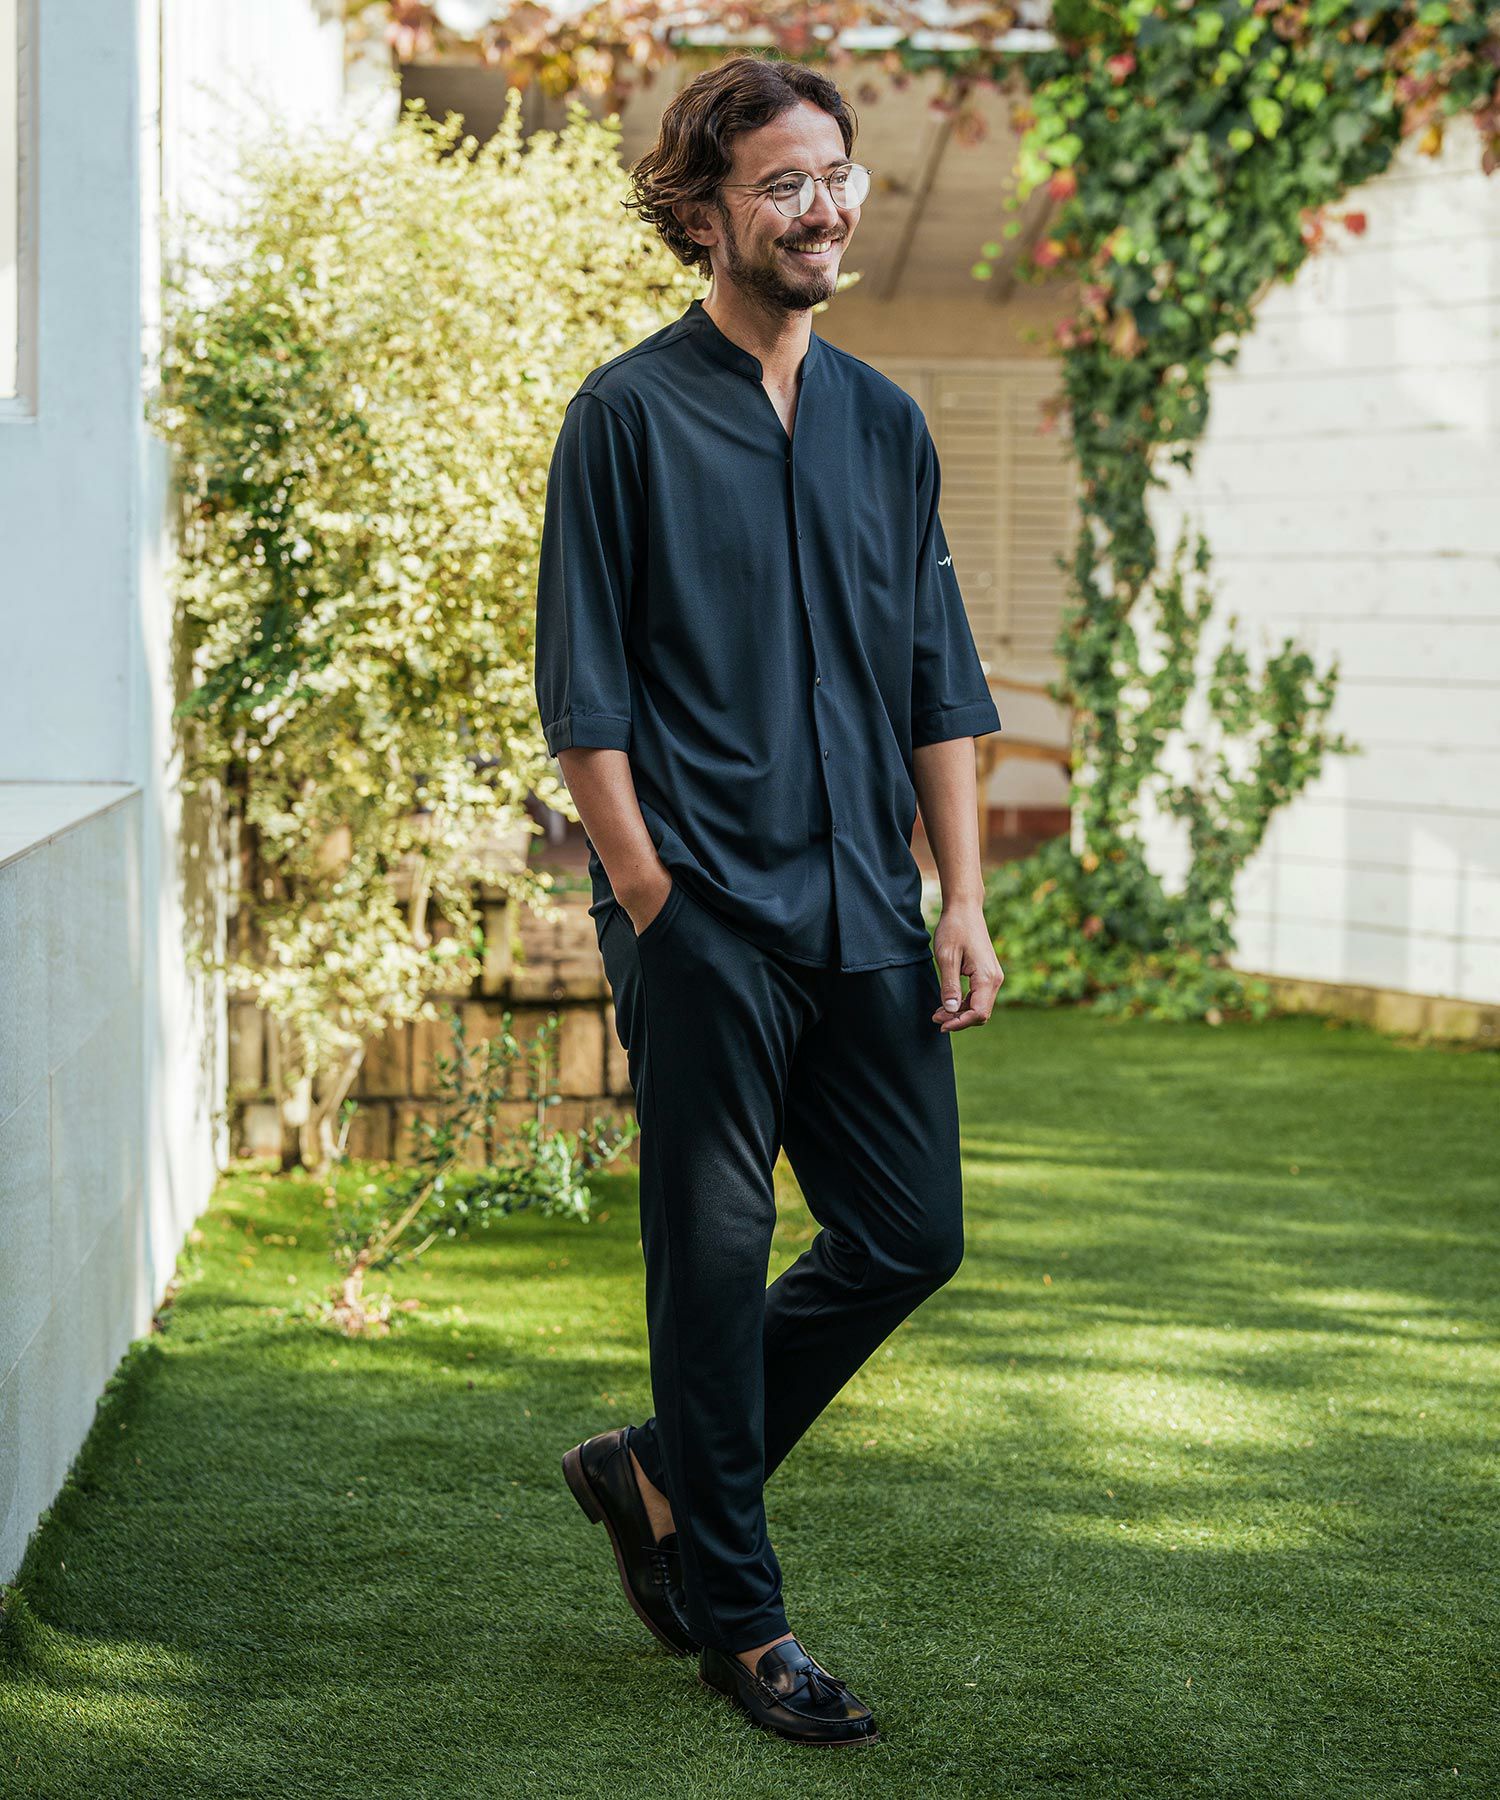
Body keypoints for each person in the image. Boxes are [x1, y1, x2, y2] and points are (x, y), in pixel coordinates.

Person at [537, 51, 1004, 1747]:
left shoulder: (886, 424)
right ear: (704, 215)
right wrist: (654, 898)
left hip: (867, 903)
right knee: (715, 1265)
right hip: (707, 915)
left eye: (837, 177)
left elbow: (937, 680)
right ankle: (744, 1622)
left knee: (909, 1234)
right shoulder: (625, 418)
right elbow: (584, 693)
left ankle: (656, 1468)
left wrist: (961, 897)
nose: (824, 210)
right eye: (782, 185)